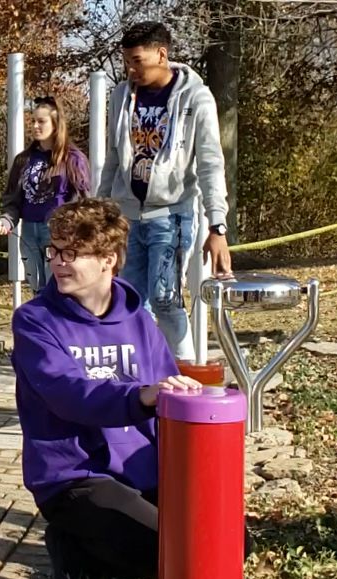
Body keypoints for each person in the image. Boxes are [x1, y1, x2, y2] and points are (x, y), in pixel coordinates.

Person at [11, 198, 201, 579]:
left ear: (108, 259)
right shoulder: (34, 321)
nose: (58, 262)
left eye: (72, 253)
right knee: (169, 556)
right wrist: (139, 397)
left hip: (140, 470)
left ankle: (87, 547)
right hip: (74, 477)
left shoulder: (141, 321)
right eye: (54, 250)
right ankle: (77, 547)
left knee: (226, 543)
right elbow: (67, 391)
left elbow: (165, 391)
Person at [97, 21, 231, 361]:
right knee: (128, 299)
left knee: (165, 297)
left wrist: (217, 225)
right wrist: (102, 209)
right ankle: (139, 378)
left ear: (162, 54)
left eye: (137, 60)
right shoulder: (120, 96)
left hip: (171, 216)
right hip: (127, 215)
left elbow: (211, 162)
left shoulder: (195, 97)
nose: (131, 69)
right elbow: (114, 155)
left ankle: (188, 373)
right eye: (126, 60)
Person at [0, 96, 90, 293]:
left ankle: (60, 323)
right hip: (28, 231)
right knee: (37, 288)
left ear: (56, 124)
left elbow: (84, 201)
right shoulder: (23, 159)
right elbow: (12, 199)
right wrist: (5, 221)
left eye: (41, 121)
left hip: (59, 232)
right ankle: (40, 322)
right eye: (33, 120)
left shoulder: (73, 159)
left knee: (58, 288)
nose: (35, 126)